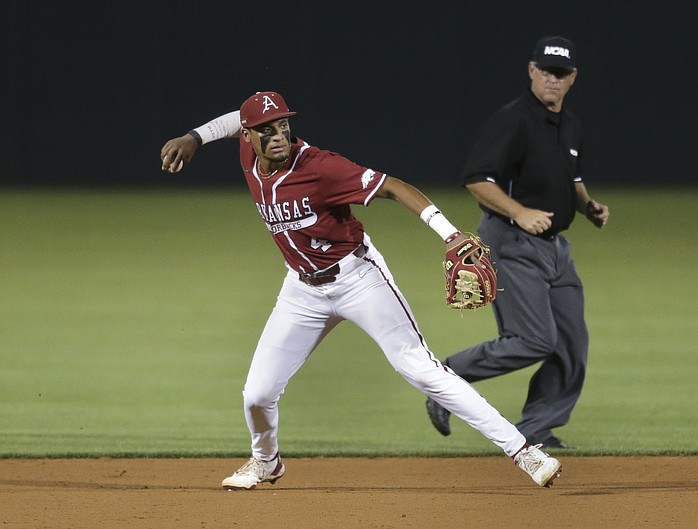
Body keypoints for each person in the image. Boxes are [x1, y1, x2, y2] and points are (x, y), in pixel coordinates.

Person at [159, 90, 563, 490]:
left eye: (283, 124)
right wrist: (193, 138)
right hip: (301, 290)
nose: (279, 134)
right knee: (257, 395)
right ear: (248, 138)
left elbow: (392, 187)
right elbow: (236, 118)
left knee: (420, 370)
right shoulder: (249, 154)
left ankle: (524, 451)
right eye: (267, 129)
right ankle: (266, 462)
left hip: (358, 279)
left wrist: (450, 234)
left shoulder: (321, 168)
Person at [425, 36, 610, 449]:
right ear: (531, 71)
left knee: (571, 344)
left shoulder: (571, 125)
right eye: (545, 71)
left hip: (556, 248)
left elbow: (571, 178)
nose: (552, 79)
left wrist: (587, 206)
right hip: (510, 240)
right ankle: (445, 378)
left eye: (560, 73)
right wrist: (518, 211)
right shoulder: (513, 120)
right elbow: (476, 178)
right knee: (533, 340)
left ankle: (535, 430)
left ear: (572, 78)